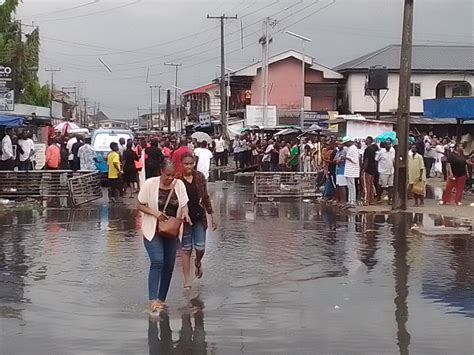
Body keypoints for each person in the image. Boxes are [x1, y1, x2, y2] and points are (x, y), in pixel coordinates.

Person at [137, 159, 191, 312]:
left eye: (173, 175)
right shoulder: (150, 184)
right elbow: (140, 204)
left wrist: (186, 213)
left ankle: (161, 300)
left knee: (168, 266)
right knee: (157, 260)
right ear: (161, 172)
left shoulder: (179, 185)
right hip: (152, 229)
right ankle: (152, 300)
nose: (170, 178)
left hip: (172, 230)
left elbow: (184, 204)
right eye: (167, 175)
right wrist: (156, 213)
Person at [179, 153, 216, 289]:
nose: (189, 166)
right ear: (181, 165)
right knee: (186, 249)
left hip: (199, 216)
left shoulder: (199, 177)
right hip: (184, 219)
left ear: (194, 163)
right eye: (186, 164)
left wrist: (212, 214)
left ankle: (198, 262)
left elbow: (205, 196)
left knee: (200, 248)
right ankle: (187, 281)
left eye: (191, 163)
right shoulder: (177, 180)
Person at [375, 139, 395, 204]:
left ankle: (390, 199)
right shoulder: (381, 152)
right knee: (382, 186)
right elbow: (376, 160)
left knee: (391, 186)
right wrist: (377, 170)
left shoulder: (392, 151)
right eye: (387, 144)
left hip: (391, 171)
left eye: (390, 144)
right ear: (385, 145)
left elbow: (393, 160)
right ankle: (378, 197)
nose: (389, 145)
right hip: (383, 171)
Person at [343, 136, 360, 206]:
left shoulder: (354, 148)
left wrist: (346, 157)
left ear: (349, 142)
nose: (345, 145)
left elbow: (355, 160)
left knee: (352, 186)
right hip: (348, 170)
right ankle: (350, 200)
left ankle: (353, 200)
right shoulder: (350, 148)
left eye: (345, 143)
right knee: (349, 186)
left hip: (352, 171)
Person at [362, 136, 378, 206]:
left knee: (366, 185)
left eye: (366, 140)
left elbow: (366, 160)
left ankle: (366, 200)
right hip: (373, 169)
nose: (365, 141)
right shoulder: (373, 149)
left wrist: (363, 169)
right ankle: (371, 200)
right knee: (371, 185)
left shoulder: (367, 149)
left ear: (368, 141)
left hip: (368, 169)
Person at [334, 139, 347, 206]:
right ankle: (339, 200)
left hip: (342, 170)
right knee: (338, 186)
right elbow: (335, 159)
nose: (338, 145)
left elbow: (342, 159)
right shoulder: (338, 152)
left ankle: (343, 201)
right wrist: (337, 160)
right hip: (338, 170)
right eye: (338, 144)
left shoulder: (344, 151)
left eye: (340, 144)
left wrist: (339, 160)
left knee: (342, 186)